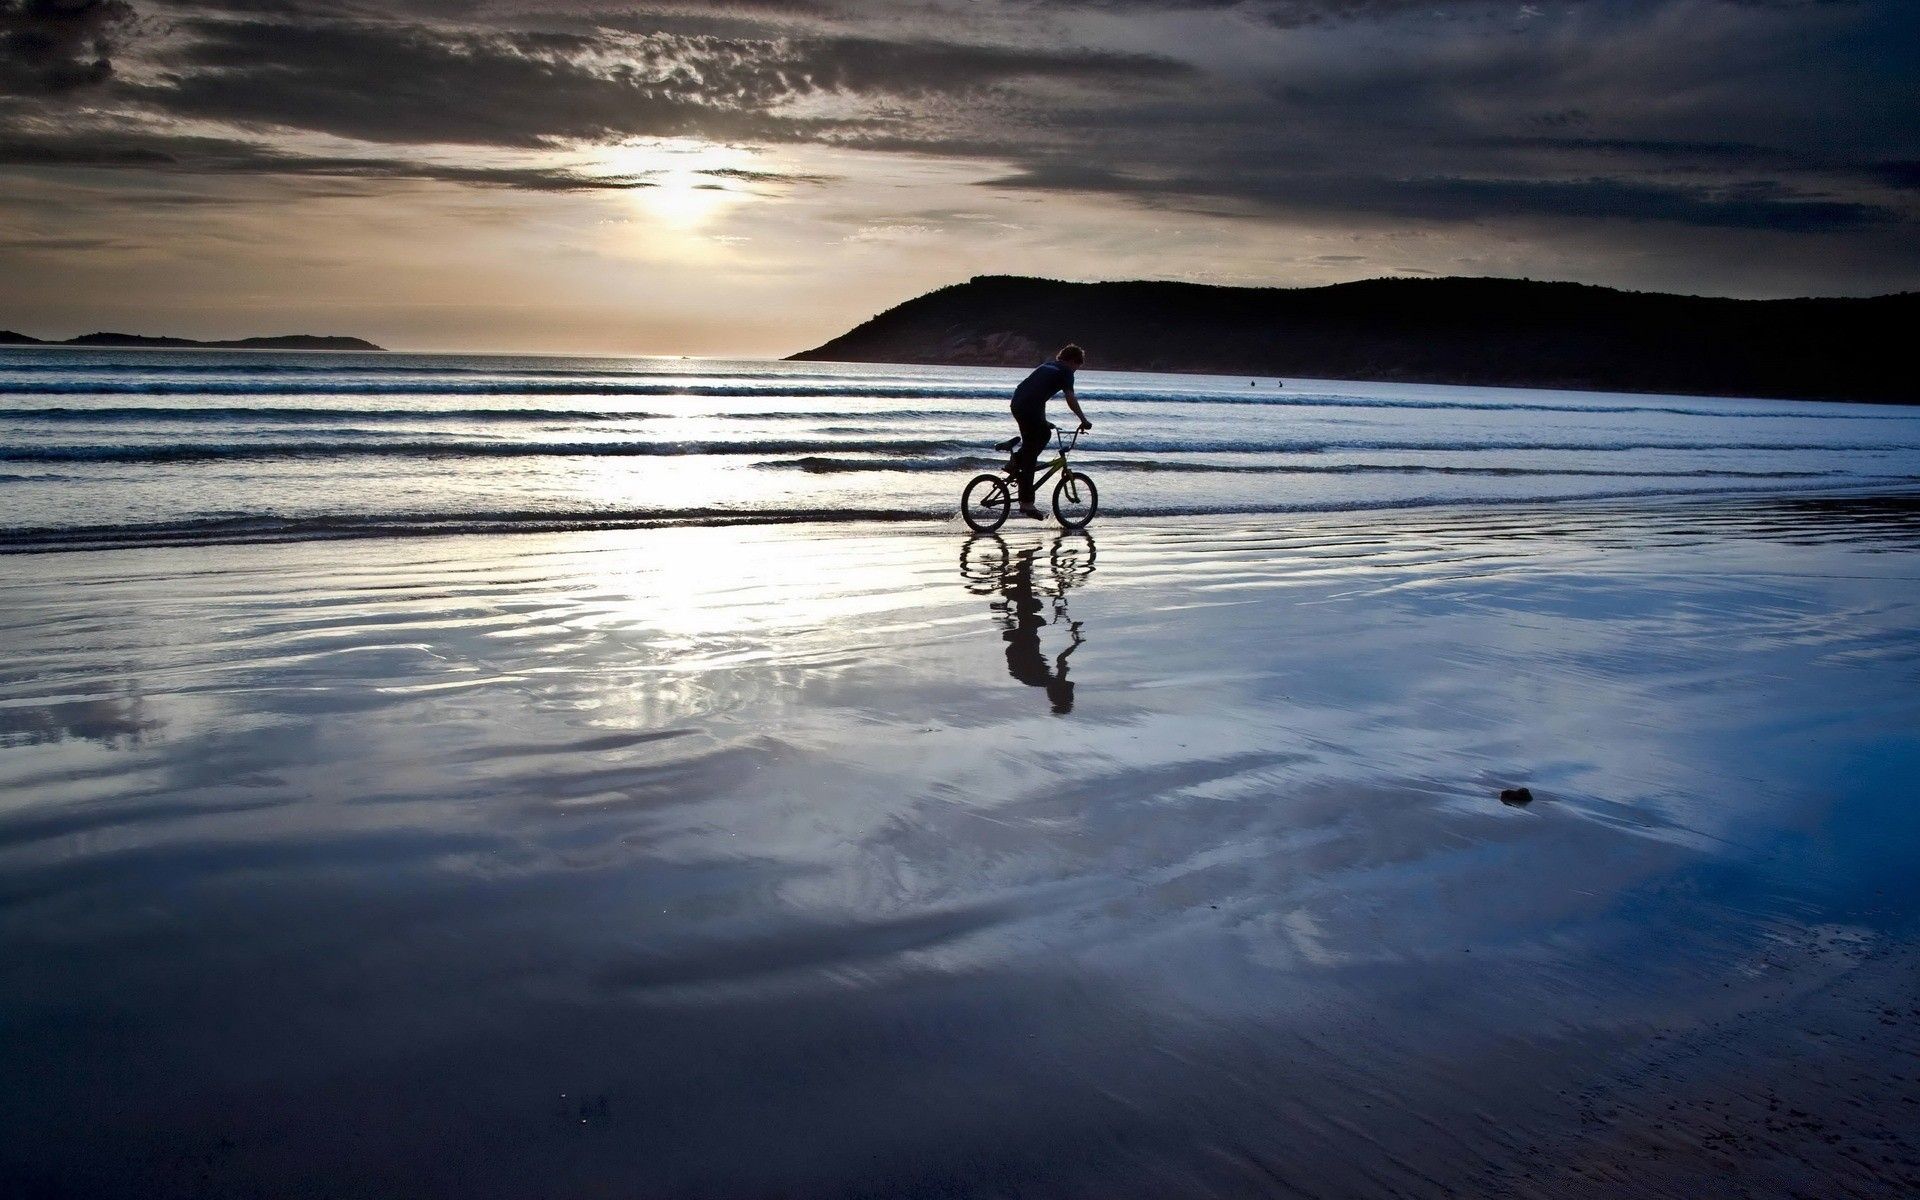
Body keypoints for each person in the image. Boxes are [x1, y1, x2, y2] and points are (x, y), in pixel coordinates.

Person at [1009, 344, 1092, 520]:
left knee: (1045, 433)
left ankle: (1016, 461)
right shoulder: (1066, 371)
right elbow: (1070, 398)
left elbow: (1037, 395)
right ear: (1073, 361)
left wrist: (1044, 421)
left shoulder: (1047, 365)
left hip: (1018, 403)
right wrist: (1083, 420)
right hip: (1030, 407)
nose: (1076, 371)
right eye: (1077, 366)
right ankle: (1026, 503)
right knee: (1031, 453)